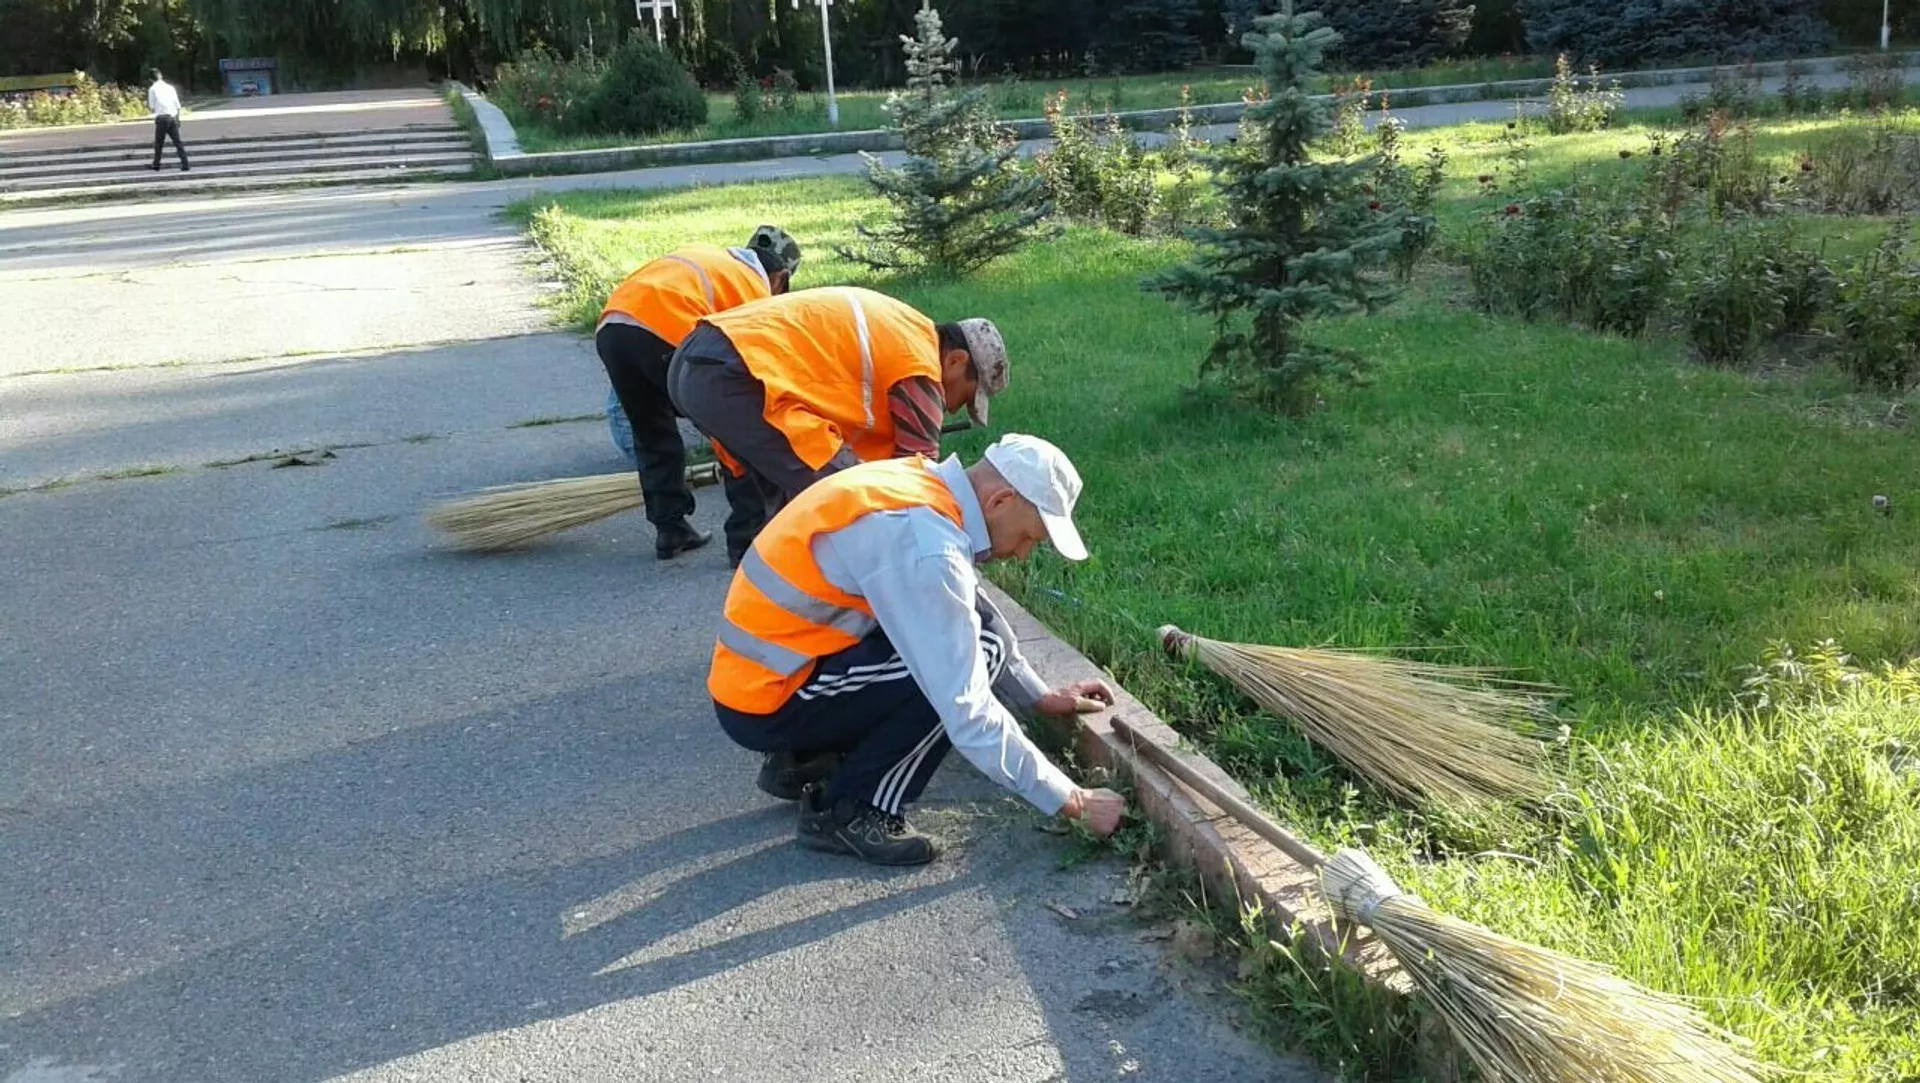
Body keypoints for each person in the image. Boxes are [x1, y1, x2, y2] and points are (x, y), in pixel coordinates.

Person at [705, 433, 1128, 866]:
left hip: (768, 679)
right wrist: (1072, 800)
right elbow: (968, 711)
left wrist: (1037, 696)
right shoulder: (924, 544)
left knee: (975, 641)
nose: (1022, 554)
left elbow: (974, 610)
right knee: (963, 666)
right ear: (1001, 501)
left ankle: (804, 759)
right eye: (1029, 537)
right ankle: (852, 810)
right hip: (770, 702)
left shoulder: (916, 485)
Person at [668, 285, 1009, 565]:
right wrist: (955, 547)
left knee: (788, 506)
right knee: (850, 497)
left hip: (697, 358)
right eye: (965, 396)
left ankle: (779, 599)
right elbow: (916, 479)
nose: (951, 408)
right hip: (734, 373)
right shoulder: (919, 363)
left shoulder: (904, 327)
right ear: (956, 360)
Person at [596, 227, 801, 560]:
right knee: (735, 429)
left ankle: (671, 529)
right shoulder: (753, 291)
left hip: (613, 329)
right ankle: (747, 540)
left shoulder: (712, 259)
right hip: (664, 330)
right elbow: (758, 371)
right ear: (780, 278)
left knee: (652, 433)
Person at [147, 70, 189, 173]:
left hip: (161, 118)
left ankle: (156, 164)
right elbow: (177, 105)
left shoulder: (152, 89)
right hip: (172, 117)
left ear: (150, 79)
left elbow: (151, 106)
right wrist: (178, 118)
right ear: (160, 76)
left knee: (159, 143)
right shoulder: (170, 87)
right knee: (177, 142)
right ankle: (185, 163)